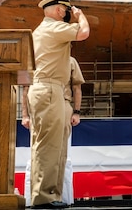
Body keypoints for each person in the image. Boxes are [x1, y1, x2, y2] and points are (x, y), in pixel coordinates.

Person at [23, 0, 89, 209]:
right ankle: (43, 197)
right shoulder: (52, 27)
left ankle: (52, 195)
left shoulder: (47, 29)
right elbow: (84, 33)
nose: (66, 13)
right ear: (59, 9)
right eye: (65, 9)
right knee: (48, 146)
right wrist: (80, 15)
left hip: (54, 90)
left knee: (57, 147)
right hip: (49, 88)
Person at [22, 56, 85, 206]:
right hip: (40, 105)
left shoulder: (70, 61)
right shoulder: (34, 59)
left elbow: (76, 87)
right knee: (38, 150)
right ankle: (37, 196)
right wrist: (25, 115)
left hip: (63, 103)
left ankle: (56, 196)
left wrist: (76, 111)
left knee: (60, 152)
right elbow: (26, 88)